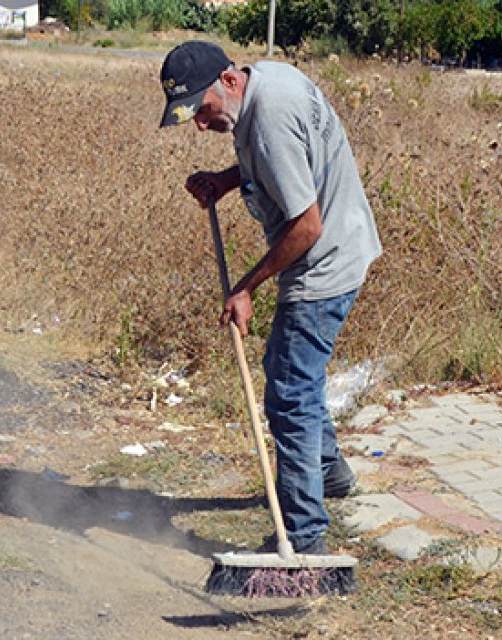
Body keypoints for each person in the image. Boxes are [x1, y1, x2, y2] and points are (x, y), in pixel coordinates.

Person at [159, 41, 381, 555]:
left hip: (323, 263)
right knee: (289, 369)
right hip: (341, 245)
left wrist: (245, 287)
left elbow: (306, 225)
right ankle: (330, 473)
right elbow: (281, 164)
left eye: (202, 108)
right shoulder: (267, 83)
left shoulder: (269, 119)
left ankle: (303, 538)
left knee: (290, 395)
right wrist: (226, 180)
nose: (199, 124)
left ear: (229, 82)